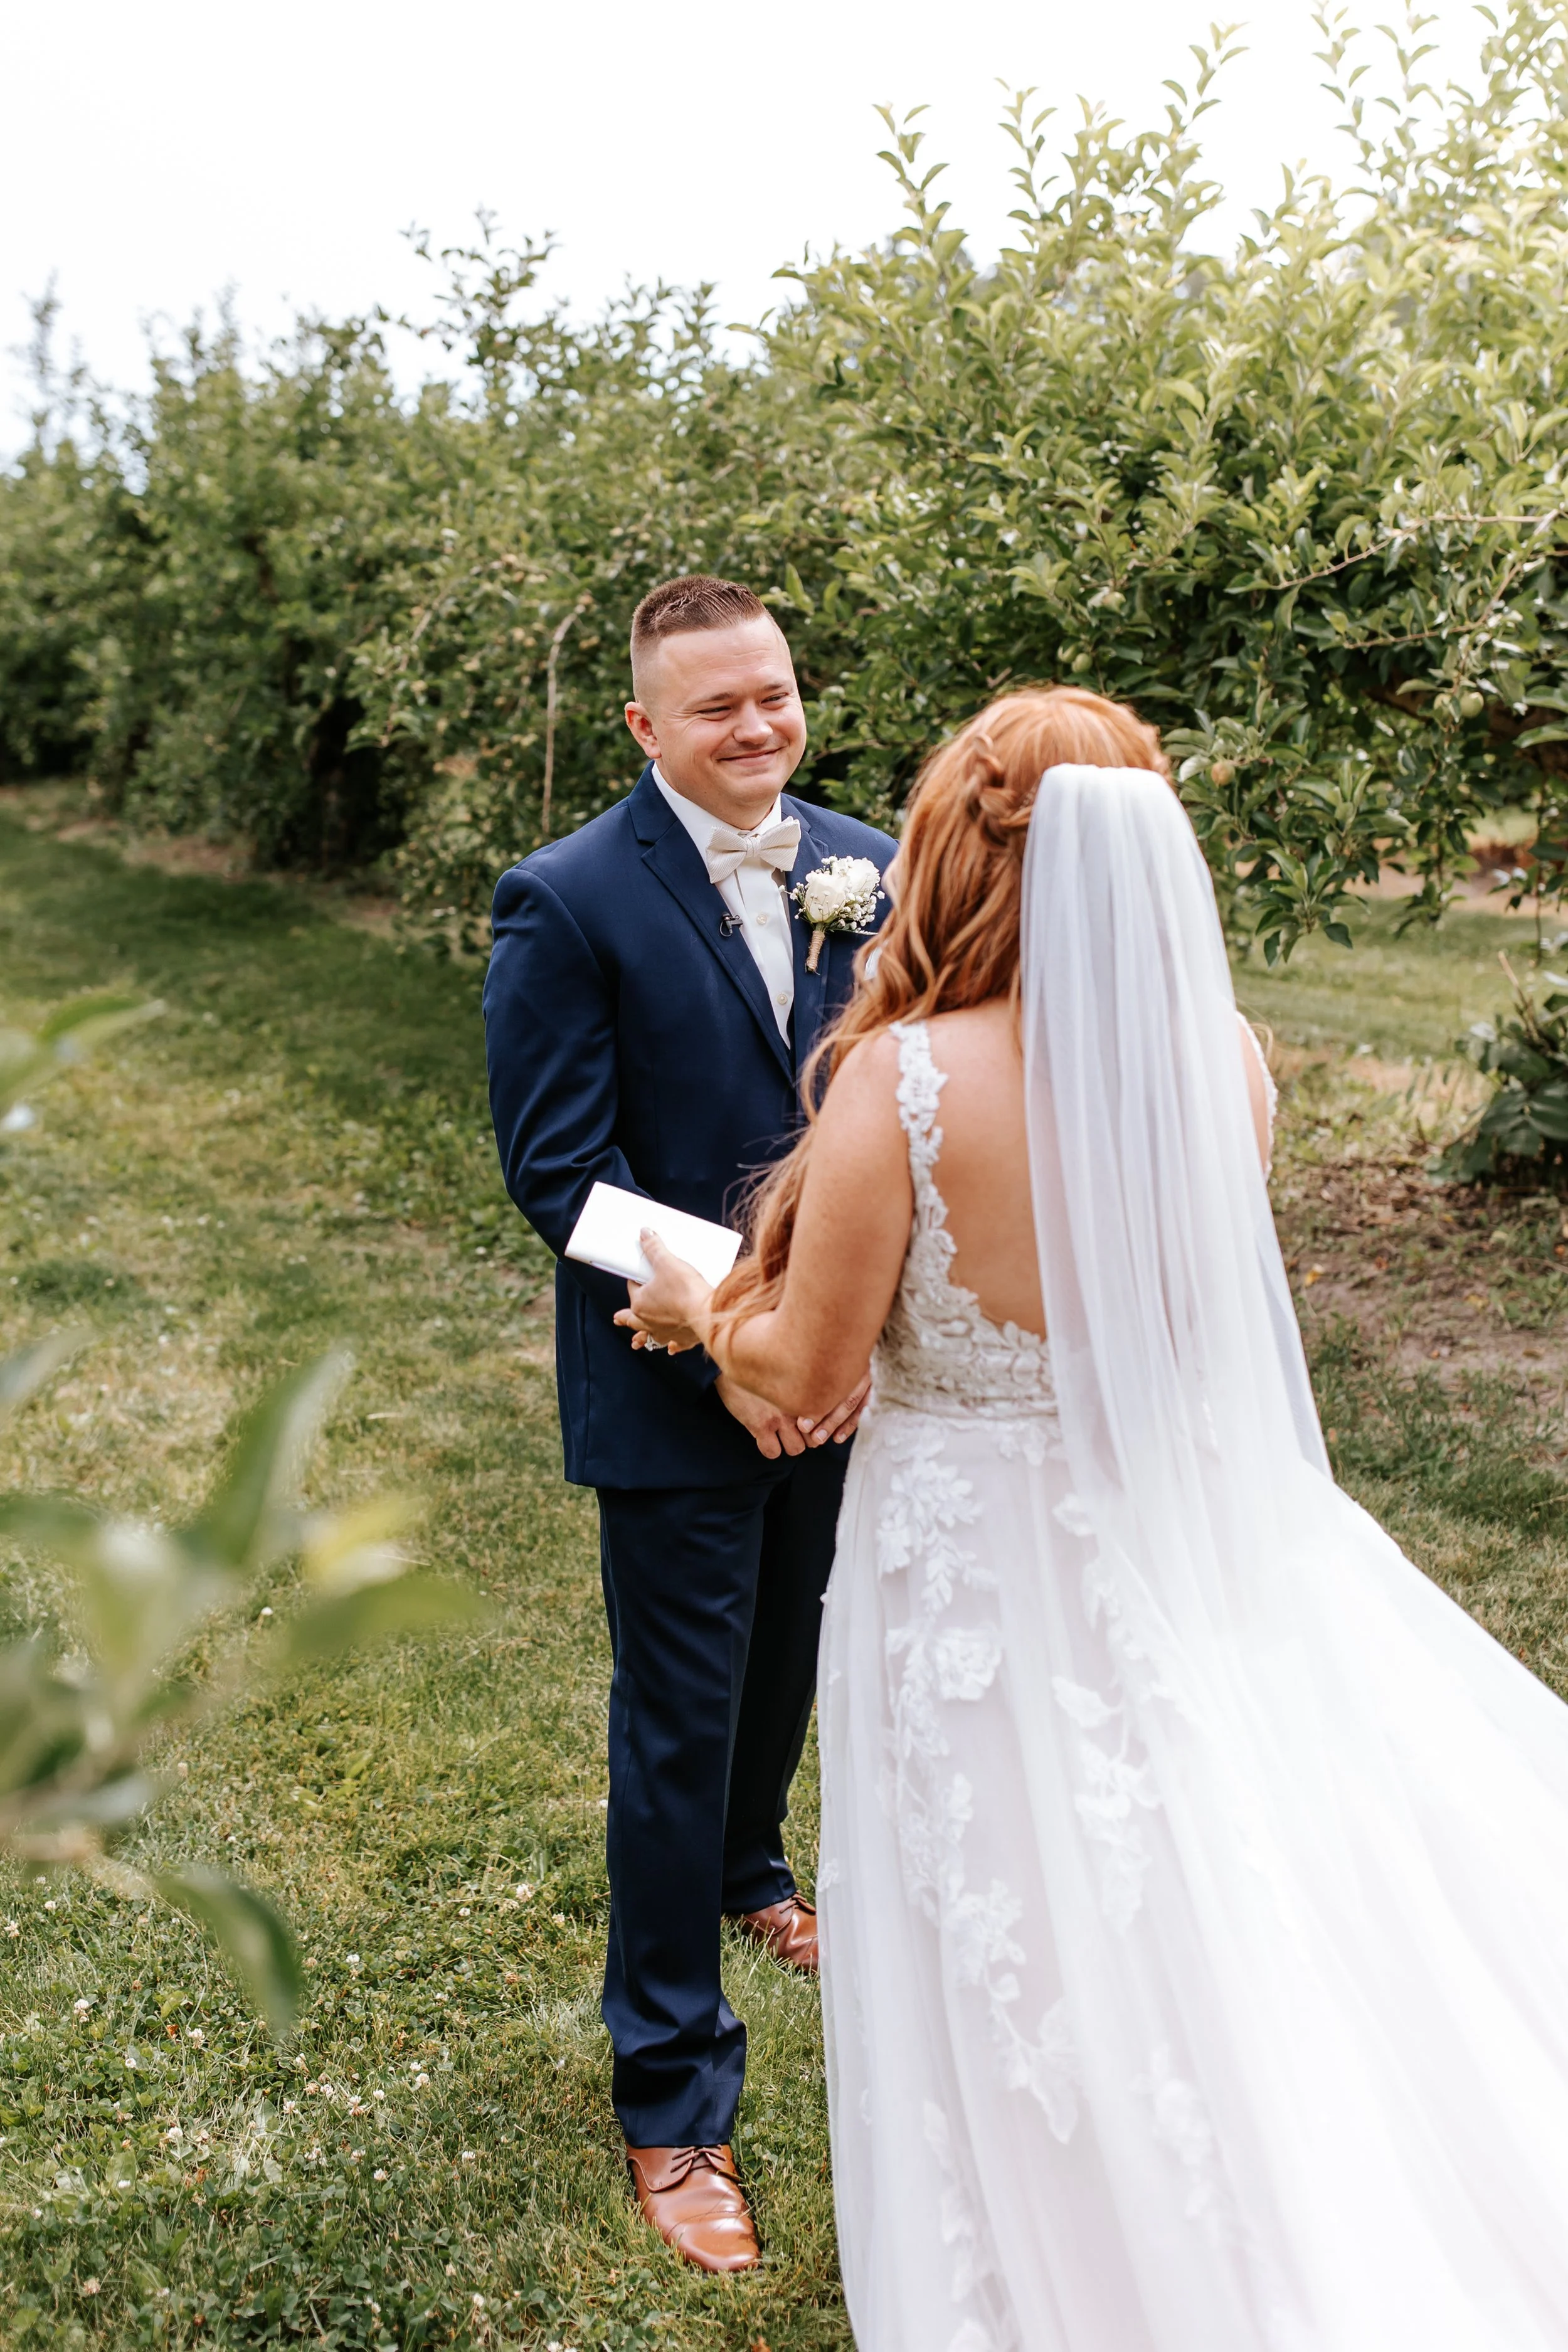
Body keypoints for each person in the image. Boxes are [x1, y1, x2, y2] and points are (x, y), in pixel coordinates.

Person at [620, 685, 1568, 2350]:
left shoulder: (903, 1085)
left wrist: (703, 1307)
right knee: (1211, 1859)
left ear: (955, 857)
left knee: (1019, 1903)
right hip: (1180, 1540)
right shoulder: (1226, 1063)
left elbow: (807, 1365)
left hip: (973, 1567)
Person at [483, 573, 896, 2273]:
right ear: (647, 724)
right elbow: (557, 1173)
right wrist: (743, 1325)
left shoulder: (862, 864)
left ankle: (755, 1864)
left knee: (791, 1652)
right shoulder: (565, 899)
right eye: (715, 705)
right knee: (675, 1717)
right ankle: (671, 2100)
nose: (757, 728)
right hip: (669, 1376)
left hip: (842, 1359)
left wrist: (838, 1330)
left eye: (775, 694)